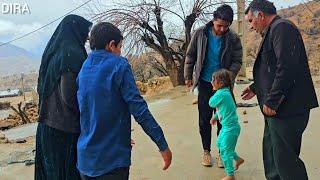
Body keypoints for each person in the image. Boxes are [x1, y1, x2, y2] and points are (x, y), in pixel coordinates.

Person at [76, 22, 172, 180]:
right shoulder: (119, 64)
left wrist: (119, 133)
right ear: (111, 45)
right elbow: (139, 109)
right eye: (120, 47)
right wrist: (162, 144)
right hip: (110, 162)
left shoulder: (84, 68)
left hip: (85, 161)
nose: (120, 52)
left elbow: (91, 110)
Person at [242, 0, 318, 179]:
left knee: (286, 161)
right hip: (277, 110)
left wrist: (273, 99)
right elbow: (273, 68)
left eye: (251, 21)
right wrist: (256, 87)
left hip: (287, 109)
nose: (251, 27)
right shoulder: (274, 31)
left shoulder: (282, 28)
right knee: (272, 156)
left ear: (260, 15)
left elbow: (287, 67)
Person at [184, 4, 242, 167]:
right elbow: (191, 55)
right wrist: (188, 75)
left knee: (224, 118)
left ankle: (223, 152)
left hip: (223, 87)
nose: (222, 29)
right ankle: (206, 151)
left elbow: (237, 60)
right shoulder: (200, 34)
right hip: (204, 82)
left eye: (226, 26)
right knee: (205, 119)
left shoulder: (233, 38)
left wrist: (228, 77)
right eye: (219, 25)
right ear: (213, 21)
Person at [35, 15, 92, 180]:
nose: (87, 37)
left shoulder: (54, 54)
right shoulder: (71, 54)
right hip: (64, 132)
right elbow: (70, 96)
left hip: (46, 127)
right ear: (75, 31)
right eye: (85, 32)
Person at [209, 69, 244, 180]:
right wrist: (215, 117)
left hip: (231, 129)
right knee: (220, 144)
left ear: (221, 83)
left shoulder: (221, 93)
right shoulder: (226, 92)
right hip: (227, 127)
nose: (211, 82)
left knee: (225, 152)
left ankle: (230, 175)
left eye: (213, 80)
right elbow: (223, 110)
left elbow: (211, 103)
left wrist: (215, 92)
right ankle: (238, 159)